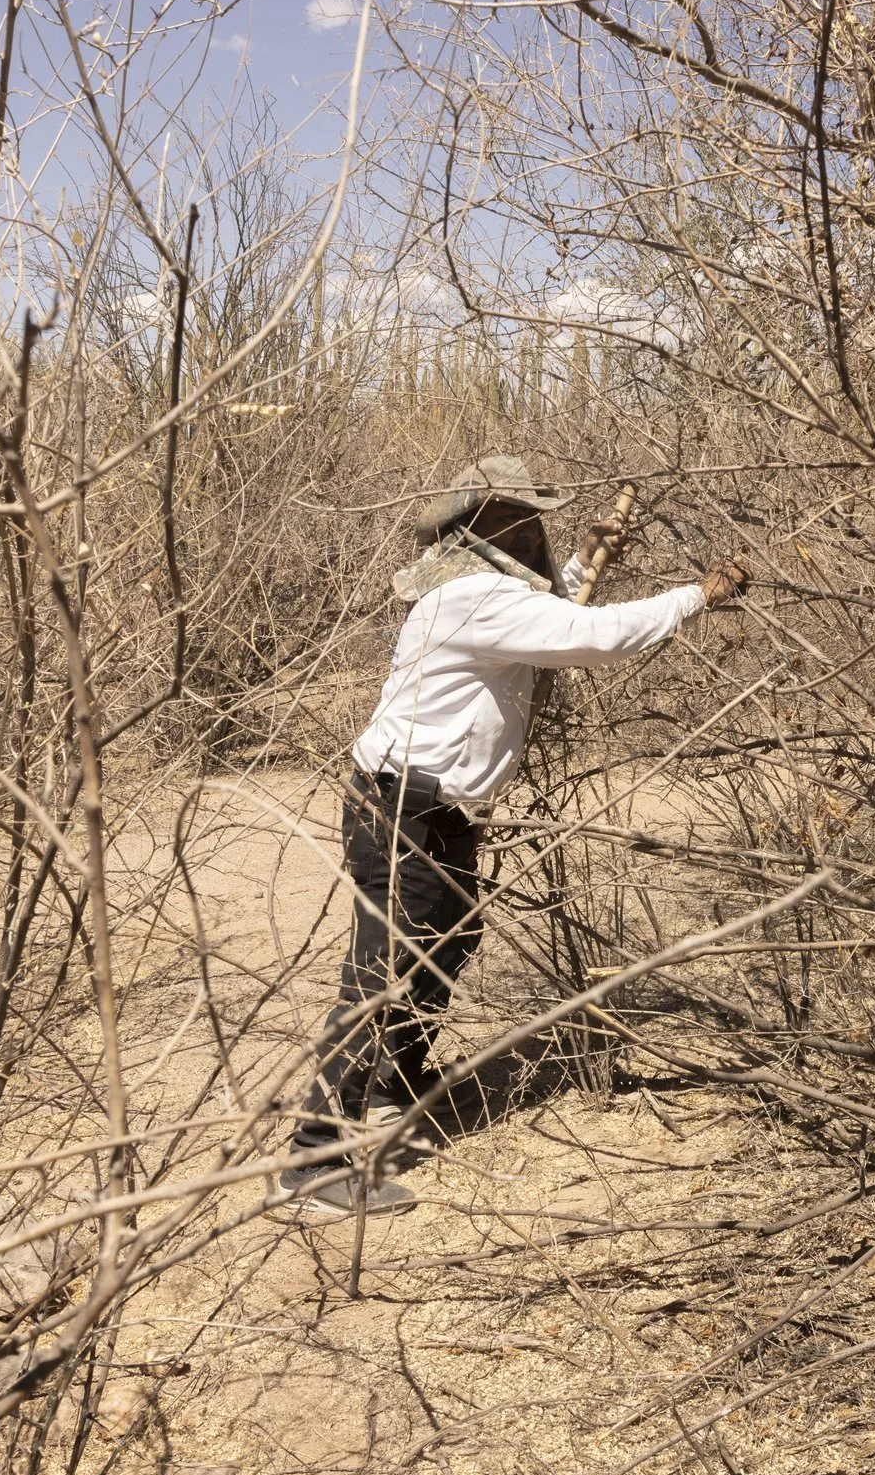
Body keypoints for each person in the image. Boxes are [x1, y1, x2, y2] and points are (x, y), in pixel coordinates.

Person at [272, 455, 749, 1218]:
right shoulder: (473, 598)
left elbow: (545, 615)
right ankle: (312, 1157)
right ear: (481, 526)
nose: (533, 526)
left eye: (533, 515)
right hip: (403, 805)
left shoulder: (474, 592)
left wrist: (583, 562)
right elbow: (594, 635)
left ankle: (395, 1084)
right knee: (381, 969)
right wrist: (698, 595)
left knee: (453, 936)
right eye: (517, 516)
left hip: (435, 807)